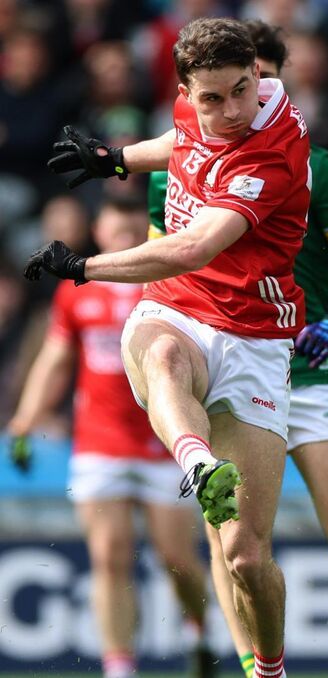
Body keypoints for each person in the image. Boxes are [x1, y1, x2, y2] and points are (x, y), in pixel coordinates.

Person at [144, 20, 328, 678]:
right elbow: (162, 276)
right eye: (221, 96)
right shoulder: (172, 168)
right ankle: (254, 668)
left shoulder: (311, 164)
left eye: (255, 89)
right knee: (234, 549)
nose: (242, 110)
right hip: (228, 366)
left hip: (306, 372)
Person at [29, 18, 310, 678]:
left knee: (245, 557)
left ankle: (270, 669)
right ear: (185, 89)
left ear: (258, 76)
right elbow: (183, 139)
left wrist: (85, 267)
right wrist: (117, 159)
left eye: (241, 91)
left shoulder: (270, 153)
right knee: (161, 357)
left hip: (254, 339)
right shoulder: (199, 108)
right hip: (179, 308)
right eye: (213, 97)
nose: (231, 110)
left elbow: (192, 247)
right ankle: (199, 463)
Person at [7, 199, 217, 678]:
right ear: (98, 232)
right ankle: (119, 668)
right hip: (99, 443)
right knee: (109, 557)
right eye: (114, 229)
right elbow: (55, 361)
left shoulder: (169, 285)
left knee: (177, 559)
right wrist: (25, 419)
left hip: (164, 445)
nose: (123, 236)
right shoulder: (76, 294)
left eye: (131, 230)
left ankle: (199, 633)